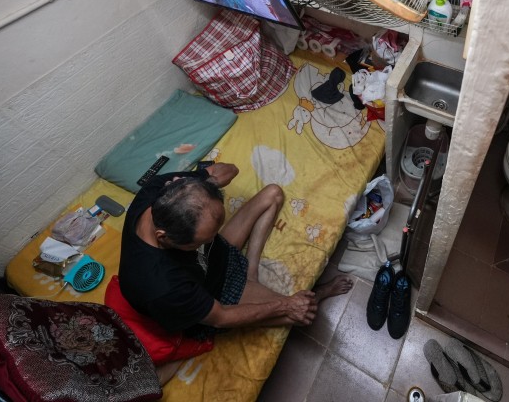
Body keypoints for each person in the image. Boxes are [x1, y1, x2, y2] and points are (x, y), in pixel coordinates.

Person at [111, 163, 352, 384]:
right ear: (163, 237)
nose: (211, 238)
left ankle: (251, 271)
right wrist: (286, 305)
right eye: (201, 241)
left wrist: (205, 180)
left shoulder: (164, 191)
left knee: (273, 193)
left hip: (214, 258)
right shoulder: (161, 285)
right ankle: (318, 293)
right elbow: (221, 317)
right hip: (212, 294)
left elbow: (231, 170)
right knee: (301, 312)